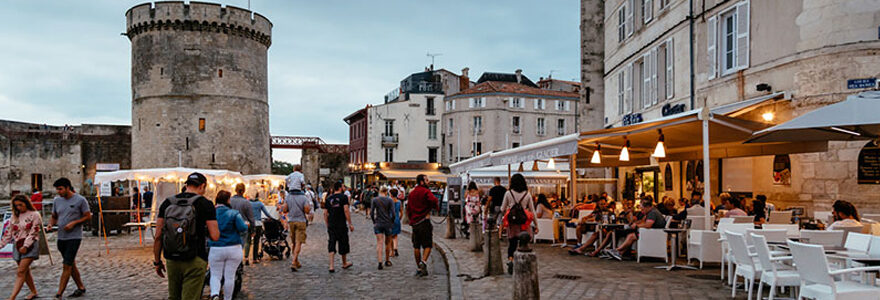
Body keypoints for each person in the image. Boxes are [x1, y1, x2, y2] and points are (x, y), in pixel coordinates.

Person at [153, 173, 220, 300]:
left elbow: (158, 236)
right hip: (195, 258)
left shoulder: (167, 203)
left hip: (172, 259)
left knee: (174, 297)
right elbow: (215, 236)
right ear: (202, 186)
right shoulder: (205, 204)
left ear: (186, 184)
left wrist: (157, 261)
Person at [48, 177, 91, 299]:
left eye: (60, 189)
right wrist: (51, 224)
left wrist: (74, 223)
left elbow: (87, 216)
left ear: (68, 187)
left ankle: (59, 293)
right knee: (71, 263)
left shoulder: (80, 200)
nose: (58, 192)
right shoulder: (57, 200)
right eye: (57, 189)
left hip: (74, 237)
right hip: (61, 237)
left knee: (66, 265)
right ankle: (81, 287)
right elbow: (54, 216)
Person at [208, 191, 248, 300]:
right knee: (229, 276)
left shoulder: (211, 213)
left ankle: (215, 294)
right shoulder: (234, 213)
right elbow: (242, 229)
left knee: (215, 274)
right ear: (227, 200)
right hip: (233, 247)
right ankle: (227, 298)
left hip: (216, 247)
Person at [1, 195, 42, 300]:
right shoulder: (14, 217)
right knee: (25, 271)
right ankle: (33, 291)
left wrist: (26, 245)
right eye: (16, 206)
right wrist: (1, 245)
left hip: (30, 245)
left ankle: (12, 297)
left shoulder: (34, 214)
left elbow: (34, 232)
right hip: (18, 245)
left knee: (20, 271)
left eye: (21, 205)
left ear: (26, 203)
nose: (19, 207)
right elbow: (8, 233)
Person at [499, 173, 536, 274]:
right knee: (523, 243)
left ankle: (511, 260)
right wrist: (536, 225)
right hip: (524, 223)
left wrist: (509, 209)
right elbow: (532, 211)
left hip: (513, 224)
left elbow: (502, 209)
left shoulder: (508, 193)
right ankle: (522, 262)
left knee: (512, 243)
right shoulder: (527, 194)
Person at [406, 174, 439, 277]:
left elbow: (408, 208)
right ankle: (423, 262)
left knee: (416, 246)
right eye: (427, 180)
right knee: (427, 245)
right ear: (422, 182)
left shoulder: (412, 193)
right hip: (424, 221)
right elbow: (434, 200)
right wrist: (432, 207)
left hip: (415, 223)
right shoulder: (426, 191)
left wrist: (411, 218)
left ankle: (419, 268)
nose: (428, 182)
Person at [324, 181, 354, 272]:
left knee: (332, 243)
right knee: (343, 242)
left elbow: (325, 213)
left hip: (332, 224)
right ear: (340, 188)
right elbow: (346, 210)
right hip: (341, 224)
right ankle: (344, 263)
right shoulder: (344, 197)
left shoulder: (329, 198)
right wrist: (350, 223)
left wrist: (327, 224)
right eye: (343, 186)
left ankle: (331, 265)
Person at [284, 181, 312, 272]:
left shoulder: (288, 197)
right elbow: (307, 211)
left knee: (294, 242)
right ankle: (293, 262)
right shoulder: (303, 198)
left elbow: (284, 209)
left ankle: (296, 261)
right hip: (301, 221)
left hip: (291, 221)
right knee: (299, 242)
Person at [371, 186, 395, 270]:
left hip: (378, 223)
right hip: (387, 223)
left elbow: (371, 213)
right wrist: (391, 221)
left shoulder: (375, 200)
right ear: (386, 192)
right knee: (387, 243)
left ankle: (380, 262)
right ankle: (387, 260)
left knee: (379, 243)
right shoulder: (390, 200)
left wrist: (374, 221)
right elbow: (393, 213)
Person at [230, 184, 254, 263]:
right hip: (243, 226)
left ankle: (233, 260)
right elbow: (251, 218)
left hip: (231, 225)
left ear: (235, 190)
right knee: (243, 244)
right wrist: (253, 229)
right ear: (244, 191)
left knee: (232, 245)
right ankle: (242, 259)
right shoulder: (246, 202)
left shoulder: (230, 200)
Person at [248, 196, 272, 264]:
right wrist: (270, 217)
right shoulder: (260, 203)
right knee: (256, 241)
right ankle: (254, 258)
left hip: (249, 224)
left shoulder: (248, 203)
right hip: (258, 224)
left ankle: (246, 257)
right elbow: (266, 212)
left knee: (248, 241)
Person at [389, 189, 403, 257]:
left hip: (390, 220)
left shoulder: (389, 202)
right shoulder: (399, 202)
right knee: (395, 236)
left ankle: (392, 251)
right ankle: (395, 248)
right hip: (397, 219)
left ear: (391, 194)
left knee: (390, 236)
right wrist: (399, 218)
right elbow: (401, 212)